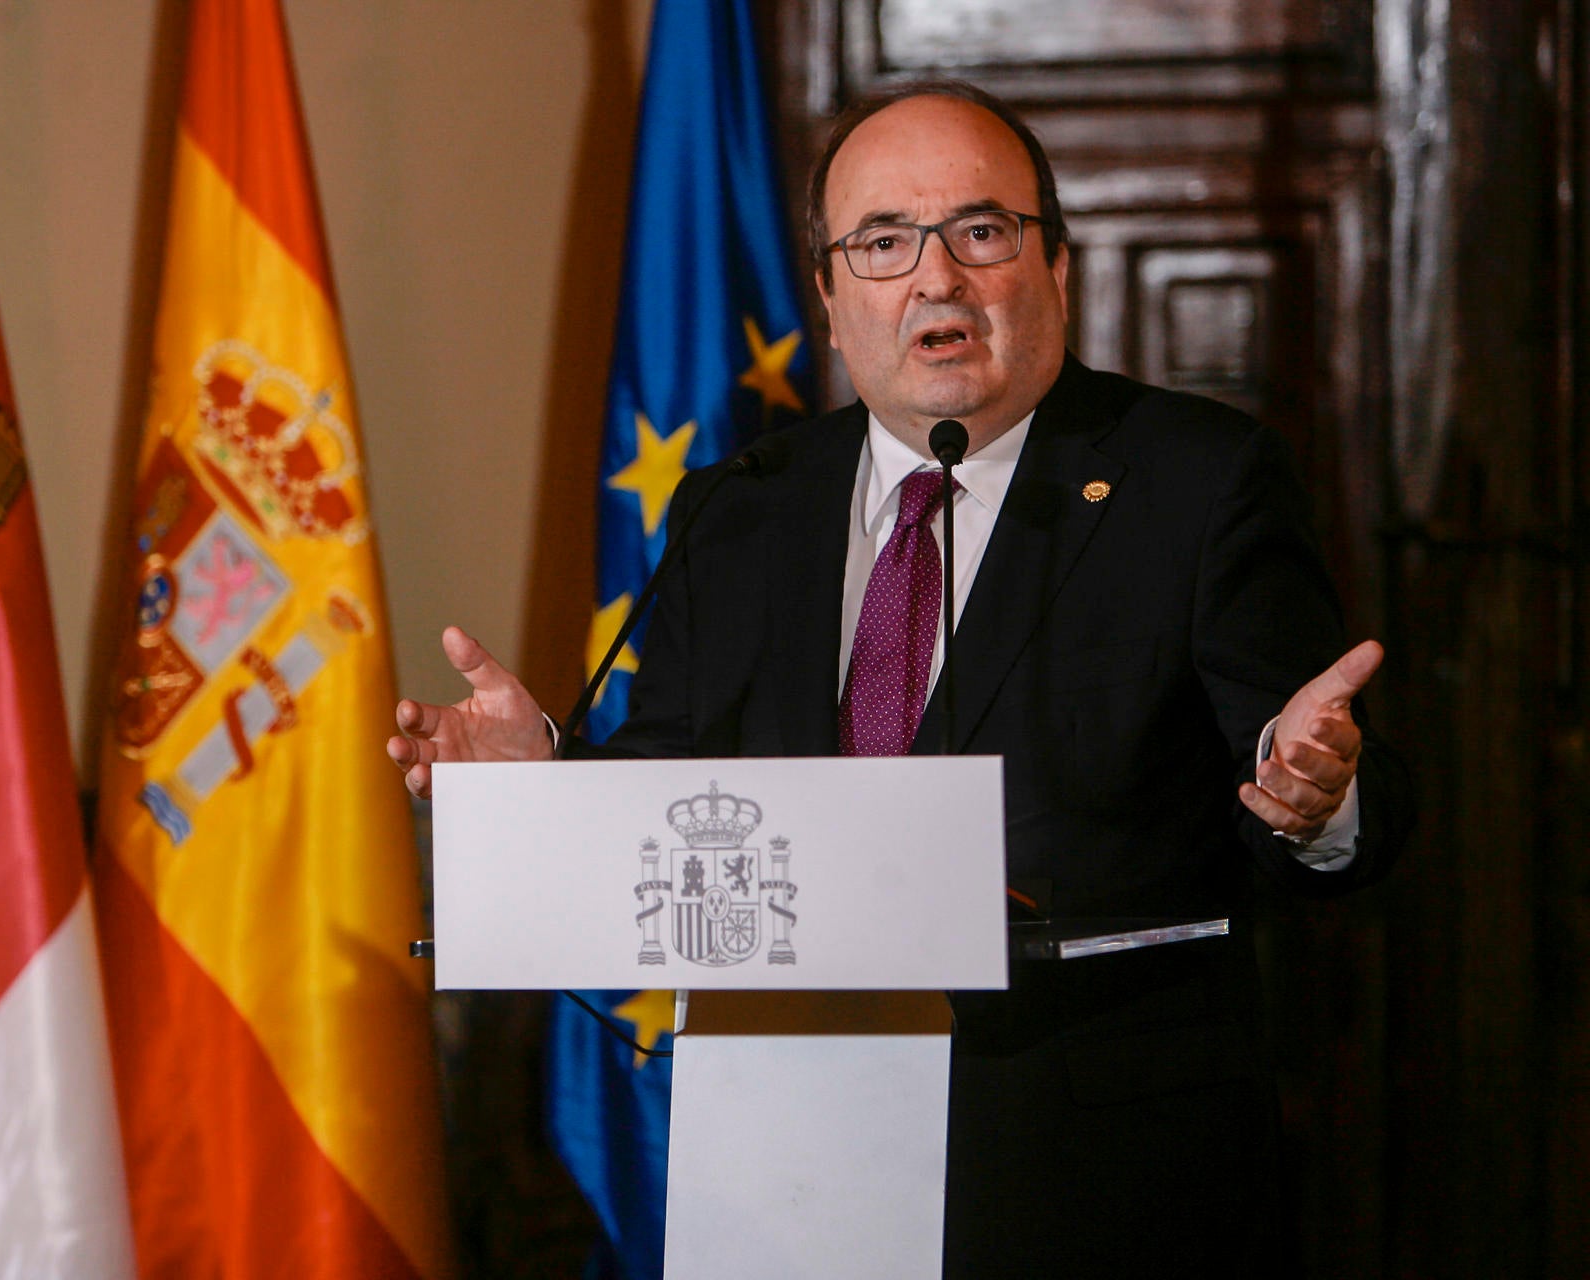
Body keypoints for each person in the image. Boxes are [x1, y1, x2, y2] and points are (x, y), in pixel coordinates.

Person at [388, 83, 1411, 1277]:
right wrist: (545, 780)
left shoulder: (1199, 479)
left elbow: (1339, 789)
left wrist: (1318, 797)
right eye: (882, 243)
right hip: (789, 1160)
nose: (936, 279)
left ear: (1055, 265)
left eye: (981, 232)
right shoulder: (741, 504)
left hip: (1099, 1181)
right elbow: (683, 789)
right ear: (829, 295)